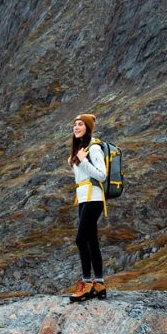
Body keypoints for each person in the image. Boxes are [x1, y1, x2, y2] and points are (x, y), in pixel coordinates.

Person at [68, 113, 107, 303]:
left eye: (80, 124)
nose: (76, 127)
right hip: (83, 199)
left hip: (94, 198)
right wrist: (77, 160)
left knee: (80, 239)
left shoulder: (94, 148)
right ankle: (99, 283)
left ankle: (86, 283)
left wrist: (83, 161)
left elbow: (102, 175)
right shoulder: (80, 149)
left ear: (88, 128)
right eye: (75, 124)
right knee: (91, 240)